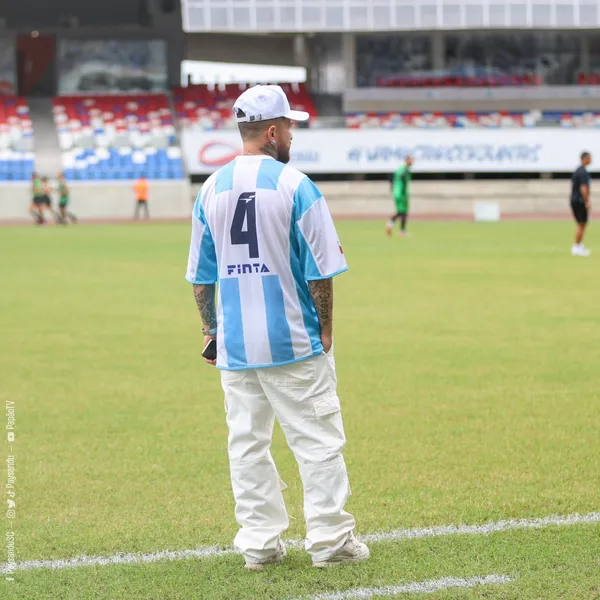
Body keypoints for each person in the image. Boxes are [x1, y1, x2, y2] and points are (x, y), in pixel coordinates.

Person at [185, 85, 369, 571]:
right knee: (318, 441)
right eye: (289, 126)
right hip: (293, 341)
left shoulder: (210, 188)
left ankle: (259, 544)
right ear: (271, 131)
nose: (291, 133)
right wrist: (325, 330)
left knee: (247, 445)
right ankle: (331, 541)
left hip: (236, 344)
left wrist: (210, 330)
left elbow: (202, 277)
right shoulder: (296, 185)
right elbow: (320, 269)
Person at [386, 155, 413, 237]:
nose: (412, 162)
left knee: (401, 212)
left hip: (397, 192)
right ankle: (402, 231)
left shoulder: (399, 170)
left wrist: (391, 187)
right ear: (407, 160)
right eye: (411, 160)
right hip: (401, 193)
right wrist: (404, 193)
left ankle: (391, 225)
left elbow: (392, 178)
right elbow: (402, 178)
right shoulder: (404, 170)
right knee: (403, 212)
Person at [570, 152, 592, 257]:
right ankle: (577, 247)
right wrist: (587, 201)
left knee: (581, 224)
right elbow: (583, 188)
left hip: (575, 200)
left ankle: (578, 245)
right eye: (589, 158)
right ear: (585, 159)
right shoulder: (583, 172)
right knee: (581, 223)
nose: (591, 160)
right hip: (579, 201)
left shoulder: (578, 170)